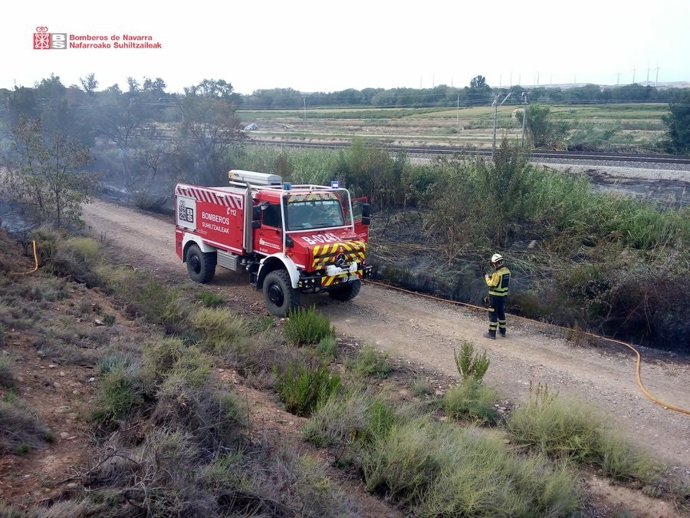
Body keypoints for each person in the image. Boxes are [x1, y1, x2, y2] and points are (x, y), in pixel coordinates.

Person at [484, 253, 511, 339]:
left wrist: (487, 278)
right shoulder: (507, 271)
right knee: (501, 313)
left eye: (493, 264)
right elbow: (501, 282)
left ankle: (492, 333)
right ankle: (503, 331)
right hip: (503, 296)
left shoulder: (497, 274)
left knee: (493, 314)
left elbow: (492, 285)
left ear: (496, 263)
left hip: (494, 297)